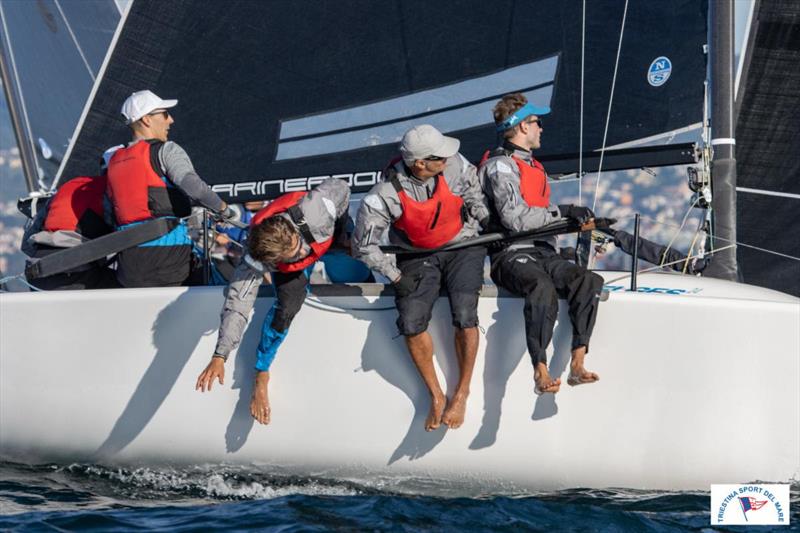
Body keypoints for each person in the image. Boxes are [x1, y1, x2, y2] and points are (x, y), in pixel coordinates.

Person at [353, 124, 490, 431]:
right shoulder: (383, 195)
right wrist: (394, 276)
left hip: (463, 245)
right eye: (439, 157)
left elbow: (472, 190)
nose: (448, 159)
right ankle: (436, 395)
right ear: (420, 164)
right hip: (417, 255)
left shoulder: (455, 163)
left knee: (465, 313)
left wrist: (483, 216)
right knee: (411, 322)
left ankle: (462, 392)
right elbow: (363, 246)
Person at [195, 178, 352, 425]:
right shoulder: (254, 258)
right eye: (294, 256)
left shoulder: (318, 209)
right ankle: (261, 372)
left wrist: (343, 230)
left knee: (356, 271)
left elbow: (341, 186)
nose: (301, 254)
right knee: (288, 307)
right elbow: (238, 304)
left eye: (297, 249)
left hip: (323, 231)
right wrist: (220, 355)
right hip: (291, 266)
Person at [479, 93, 603, 395]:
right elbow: (516, 220)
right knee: (541, 287)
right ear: (522, 126)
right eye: (538, 122)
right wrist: (563, 211)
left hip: (542, 252)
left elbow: (537, 215)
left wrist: (573, 218)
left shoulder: (533, 165)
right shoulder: (500, 167)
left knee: (588, 280)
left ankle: (577, 362)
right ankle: (541, 370)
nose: (542, 129)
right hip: (510, 254)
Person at [106, 90, 231, 287]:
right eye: (164, 114)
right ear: (147, 119)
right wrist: (224, 209)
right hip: (170, 261)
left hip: (129, 266)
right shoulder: (166, 150)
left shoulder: (111, 161)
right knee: (221, 279)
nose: (170, 120)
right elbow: (195, 189)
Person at [22, 173, 119, 290]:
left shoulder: (69, 185)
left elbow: (26, 245)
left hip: (37, 272)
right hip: (75, 272)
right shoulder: (113, 189)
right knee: (134, 287)